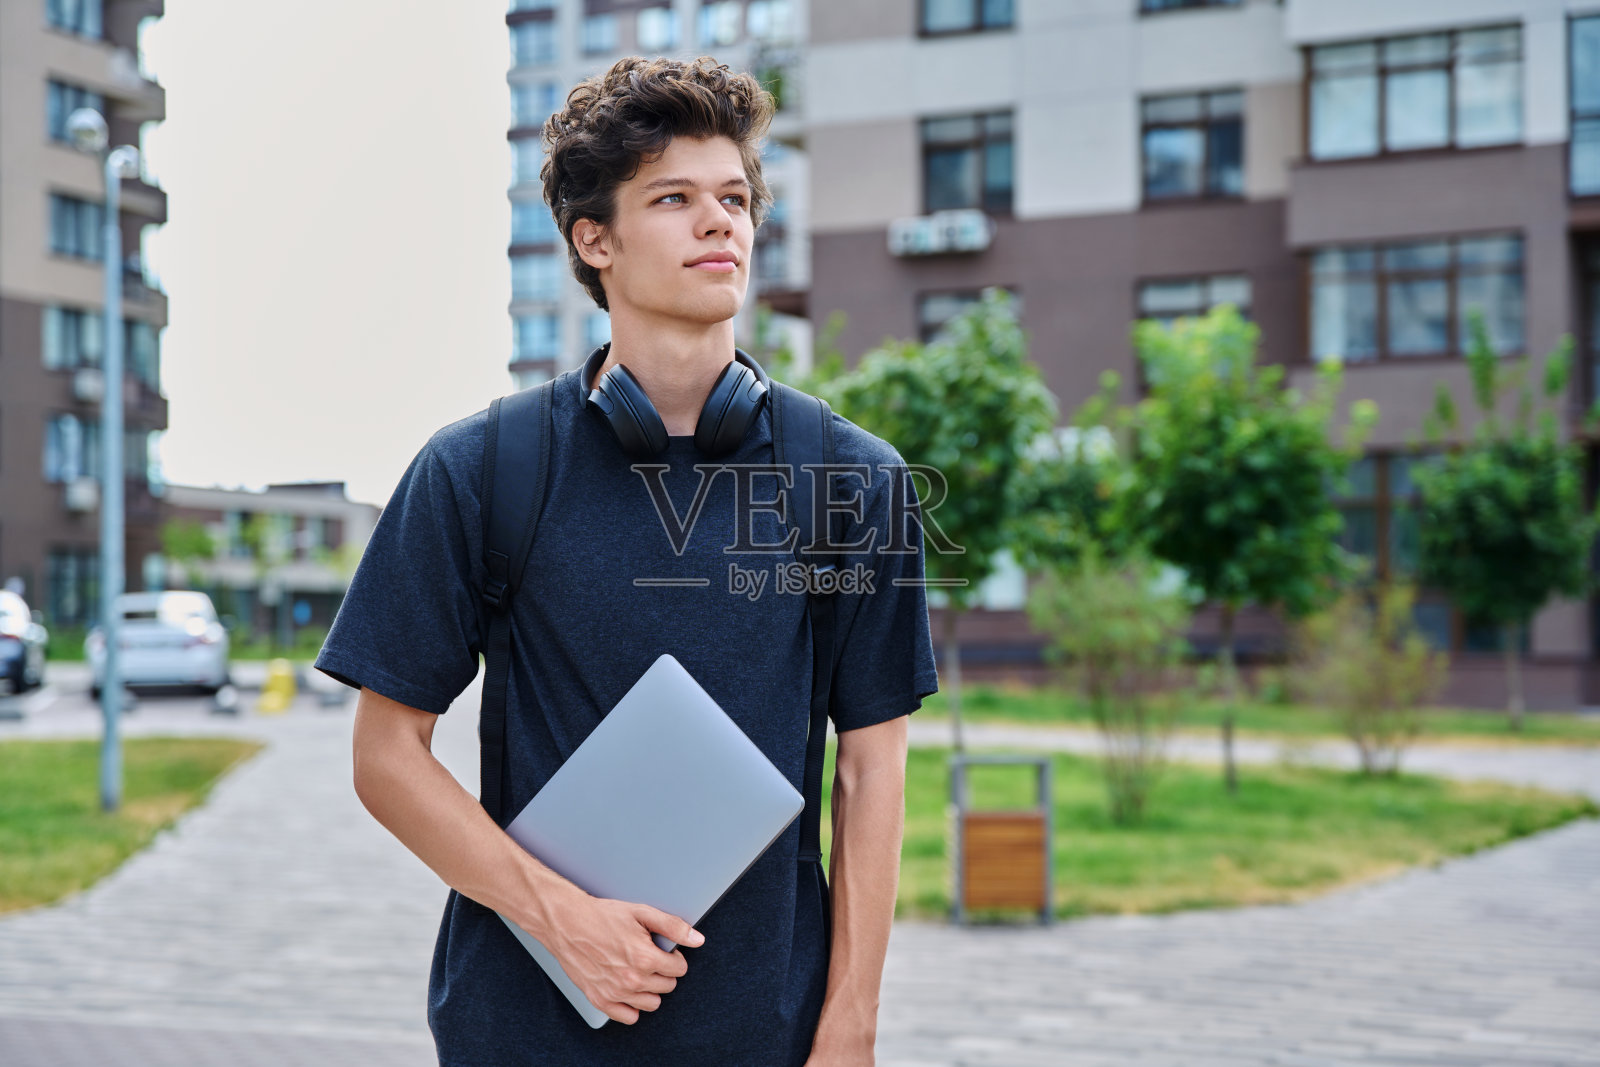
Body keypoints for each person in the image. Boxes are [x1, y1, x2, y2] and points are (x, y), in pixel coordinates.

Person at [314, 55, 939, 1066]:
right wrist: (561, 916)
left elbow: (871, 767)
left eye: (734, 197)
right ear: (591, 238)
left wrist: (851, 1020)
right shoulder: (482, 469)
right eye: (675, 198)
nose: (720, 221)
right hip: (522, 1029)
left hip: (768, 1037)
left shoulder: (848, 476)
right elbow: (385, 754)